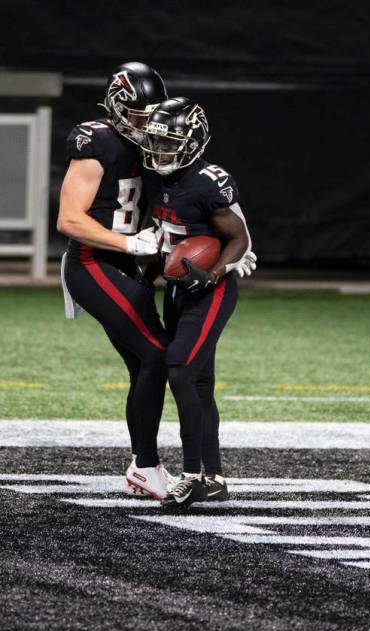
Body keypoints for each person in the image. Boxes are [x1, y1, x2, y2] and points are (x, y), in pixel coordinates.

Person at [57, 61, 174, 499]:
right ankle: (145, 465)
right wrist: (129, 246)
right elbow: (69, 219)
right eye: (140, 116)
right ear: (118, 106)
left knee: (145, 362)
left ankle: (145, 464)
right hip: (92, 262)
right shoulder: (97, 141)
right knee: (158, 354)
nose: (147, 126)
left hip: (124, 263)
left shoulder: (153, 143)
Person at [140, 97, 252, 509]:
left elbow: (238, 237)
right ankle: (215, 477)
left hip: (210, 289)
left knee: (181, 369)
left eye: (170, 143)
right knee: (199, 383)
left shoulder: (207, 182)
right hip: (176, 289)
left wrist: (215, 272)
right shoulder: (155, 178)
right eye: (156, 142)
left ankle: (190, 474)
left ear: (194, 141)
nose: (160, 151)